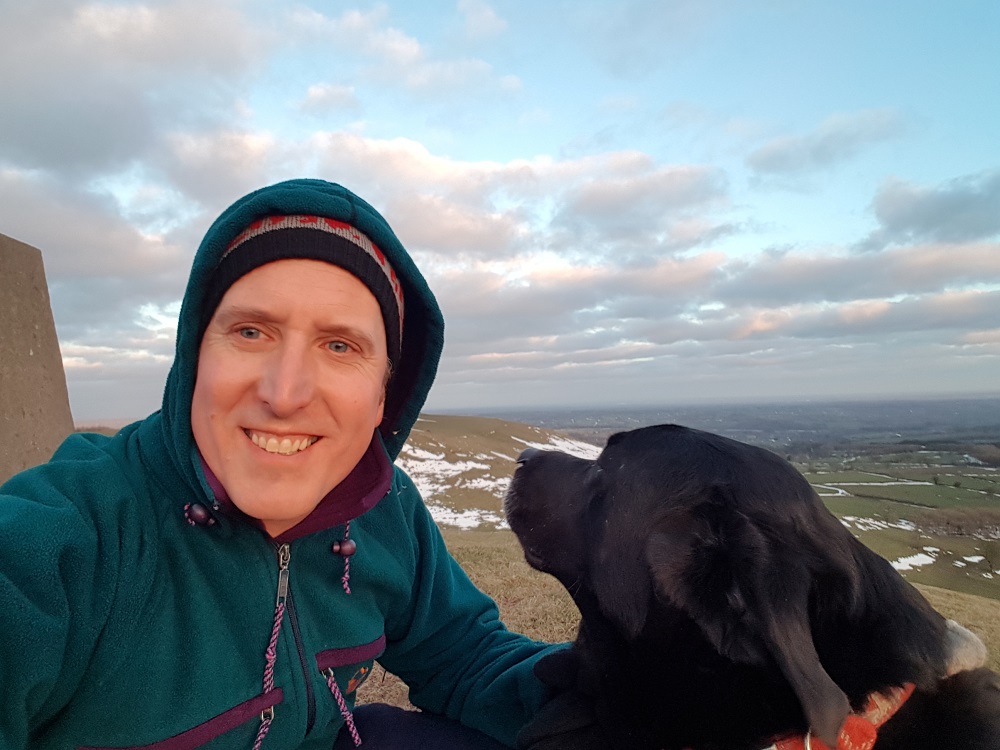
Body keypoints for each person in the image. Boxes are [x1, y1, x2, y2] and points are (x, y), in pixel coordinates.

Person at [0, 179, 560, 749]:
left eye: (340, 346)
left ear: (384, 398)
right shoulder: (72, 536)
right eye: (250, 332)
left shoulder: (385, 509)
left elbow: (466, 658)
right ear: (194, 357)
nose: (285, 393)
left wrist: (626, 690)